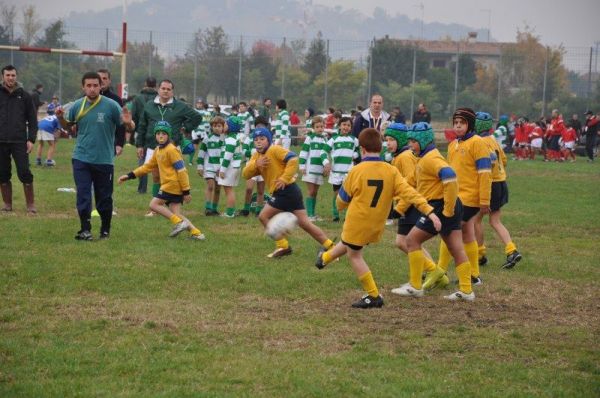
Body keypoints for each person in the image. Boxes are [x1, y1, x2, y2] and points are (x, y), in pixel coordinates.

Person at [314, 128, 440, 308]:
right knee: (349, 242)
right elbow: (410, 193)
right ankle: (324, 259)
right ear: (380, 148)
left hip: (357, 221)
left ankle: (373, 295)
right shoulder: (391, 170)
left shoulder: (356, 171)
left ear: (362, 149)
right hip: (377, 224)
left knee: (354, 254)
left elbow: (340, 203)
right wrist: (429, 211)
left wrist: (348, 198)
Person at [391, 123, 473, 301]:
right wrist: (399, 209)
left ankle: (414, 287)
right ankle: (467, 291)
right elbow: (410, 186)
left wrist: (448, 209)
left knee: (411, 240)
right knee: (455, 247)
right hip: (447, 205)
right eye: (409, 141)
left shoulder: (431, 159)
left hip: (440, 206)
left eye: (413, 141)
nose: (410, 145)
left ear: (423, 140)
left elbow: (450, 177)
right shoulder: (422, 158)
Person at [56, 71, 133, 240]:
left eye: (95, 85)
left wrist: (128, 122)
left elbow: (128, 126)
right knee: (83, 194)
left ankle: (105, 230)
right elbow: (68, 127)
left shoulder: (111, 105)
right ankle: (85, 229)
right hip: (81, 157)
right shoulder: (77, 105)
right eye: (88, 86)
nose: (92, 89)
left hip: (104, 159)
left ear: (101, 86)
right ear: (83, 87)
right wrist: (61, 118)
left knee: (104, 198)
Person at [242, 127, 335, 259]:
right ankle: (331, 248)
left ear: (268, 140)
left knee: (263, 216)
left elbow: (293, 159)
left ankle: (283, 246)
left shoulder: (274, 150)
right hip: (290, 192)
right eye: (256, 140)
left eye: (262, 139)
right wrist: (256, 164)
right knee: (305, 224)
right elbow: (245, 174)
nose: (259, 142)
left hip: (286, 190)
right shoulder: (257, 156)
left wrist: (284, 178)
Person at [118, 121, 204, 240]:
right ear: (155, 136)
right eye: (158, 133)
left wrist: (186, 191)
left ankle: (178, 223)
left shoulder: (171, 150)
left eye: (163, 133)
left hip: (172, 185)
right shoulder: (158, 150)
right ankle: (197, 233)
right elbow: (147, 167)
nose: (161, 136)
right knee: (176, 214)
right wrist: (129, 175)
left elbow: (182, 171)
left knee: (153, 204)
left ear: (168, 135)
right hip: (172, 186)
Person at [436, 108, 491, 285]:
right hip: (456, 196)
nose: (458, 127)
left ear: (470, 125)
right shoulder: (453, 145)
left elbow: (485, 173)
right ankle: (474, 274)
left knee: (448, 230)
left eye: (462, 123)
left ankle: (439, 272)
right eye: (455, 123)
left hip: (470, 197)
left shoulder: (477, 143)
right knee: (467, 233)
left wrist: (484, 200)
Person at [136, 79, 202, 215]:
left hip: (173, 147)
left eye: (168, 89)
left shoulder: (180, 106)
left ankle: (174, 206)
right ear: (158, 89)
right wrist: (139, 144)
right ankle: (155, 209)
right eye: (163, 88)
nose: (165, 91)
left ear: (172, 91)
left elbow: (197, 117)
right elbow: (142, 125)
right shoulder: (149, 105)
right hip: (152, 146)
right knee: (155, 177)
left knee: (173, 177)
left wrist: (186, 128)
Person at [384, 122, 440, 282]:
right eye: (386, 139)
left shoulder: (405, 157)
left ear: (401, 140)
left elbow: (411, 185)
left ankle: (432, 270)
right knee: (407, 242)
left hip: (411, 205)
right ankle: (433, 271)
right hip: (407, 205)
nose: (388, 143)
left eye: (391, 139)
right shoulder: (399, 157)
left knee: (404, 242)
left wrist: (400, 208)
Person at [473, 112, 521, 270]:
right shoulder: (494, 141)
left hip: (490, 184)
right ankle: (511, 250)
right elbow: (504, 160)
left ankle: (480, 255)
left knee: (475, 220)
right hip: (502, 183)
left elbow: (489, 163)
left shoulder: (479, 142)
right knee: (495, 221)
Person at [0, 65, 38, 213]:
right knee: (2, 173)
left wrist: (31, 139)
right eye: (8, 75)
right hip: (1, 141)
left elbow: (33, 120)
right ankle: (7, 205)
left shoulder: (25, 96)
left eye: (13, 75)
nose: (10, 78)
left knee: (24, 172)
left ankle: (30, 205)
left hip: (19, 141)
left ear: (17, 76)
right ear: (3, 76)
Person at [324, 116, 359, 222]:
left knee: (348, 194)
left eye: (348, 125)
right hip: (336, 172)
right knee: (337, 194)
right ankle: (336, 214)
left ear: (351, 127)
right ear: (339, 126)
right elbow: (323, 152)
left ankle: (347, 214)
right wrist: (326, 163)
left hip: (348, 172)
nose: (346, 127)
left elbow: (358, 152)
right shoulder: (333, 139)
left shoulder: (354, 140)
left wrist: (355, 155)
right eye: (344, 125)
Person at [130, 77, 158, 193]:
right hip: (158, 133)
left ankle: (142, 189)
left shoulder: (138, 98)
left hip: (142, 132)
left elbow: (134, 116)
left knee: (142, 160)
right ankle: (162, 190)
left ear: (145, 84)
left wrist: (136, 131)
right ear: (156, 85)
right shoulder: (159, 98)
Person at [299, 115, 329, 221]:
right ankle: (308, 215)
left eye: (321, 126)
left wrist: (326, 167)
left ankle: (313, 214)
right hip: (310, 169)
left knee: (315, 192)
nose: (320, 129)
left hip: (319, 170)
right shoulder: (309, 138)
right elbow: (303, 153)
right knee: (311, 192)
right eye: (317, 127)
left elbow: (326, 154)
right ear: (313, 127)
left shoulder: (325, 139)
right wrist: (302, 166)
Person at [240, 116, 269, 217]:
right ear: (255, 126)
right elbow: (243, 151)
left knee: (261, 191)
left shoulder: (267, 139)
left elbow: (271, 152)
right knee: (249, 189)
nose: (260, 128)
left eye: (263, 126)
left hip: (263, 168)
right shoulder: (250, 137)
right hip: (251, 166)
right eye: (258, 126)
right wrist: (252, 152)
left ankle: (259, 211)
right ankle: (246, 210)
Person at [197, 116, 225, 216]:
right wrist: (200, 166)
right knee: (210, 185)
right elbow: (201, 153)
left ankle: (214, 208)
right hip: (209, 167)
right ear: (211, 127)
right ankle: (208, 208)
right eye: (214, 126)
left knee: (218, 189)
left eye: (219, 126)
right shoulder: (207, 139)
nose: (216, 128)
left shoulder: (225, 139)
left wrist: (223, 168)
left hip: (220, 169)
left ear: (223, 127)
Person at [218, 116, 244, 218]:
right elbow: (220, 144)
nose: (223, 126)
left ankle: (229, 213)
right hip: (235, 166)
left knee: (228, 190)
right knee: (229, 189)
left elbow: (227, 156)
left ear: (231, 127)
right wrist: (221, 135)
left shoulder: (230, 140)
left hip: (230, 167)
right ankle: (231, 211)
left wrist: (222, 170)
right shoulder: (234, 138)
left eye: (225, 124)